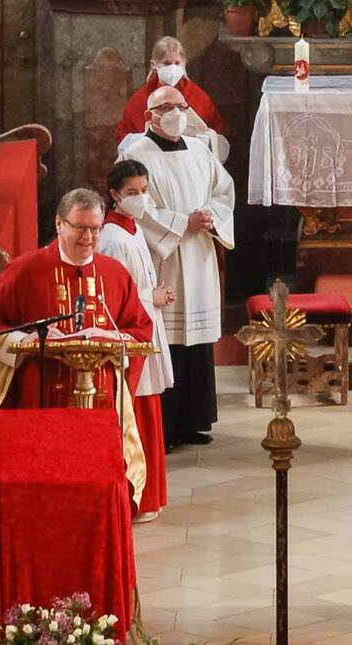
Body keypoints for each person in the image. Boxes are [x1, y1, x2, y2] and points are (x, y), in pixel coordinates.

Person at [0, 188, 155, 521]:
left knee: (98, 495)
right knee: (44, 499)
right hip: (42, 397)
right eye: (80, 227)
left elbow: (140, 331)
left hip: (103, 402)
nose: (88, 237)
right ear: (59, 223)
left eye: (95, 228)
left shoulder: (114, 274)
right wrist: (24, 338)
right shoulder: (27, 270)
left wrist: (112, 336)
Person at [120, 86, 235, 450]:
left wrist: (209, 217)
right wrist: (181, 222)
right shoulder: (135, 153)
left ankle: (194, 420)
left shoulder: (200, 150)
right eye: (166, 107)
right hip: (163, 255)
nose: (175, 113)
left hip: (199, 253)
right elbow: (136, 205)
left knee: (197, 340)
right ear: (150, 115)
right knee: (168, 340)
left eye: (180, 107)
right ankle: (165, 426)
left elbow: (224, 191)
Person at [99, 160, 176, 522]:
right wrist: (152, 298)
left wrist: (154, 294)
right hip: (131, 336)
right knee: (136, 416)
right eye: (133, 193)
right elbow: (112, 297)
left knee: (149, 411)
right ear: (114, 195)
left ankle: (150, 497)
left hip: (147, 327)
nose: (141, 198)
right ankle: (136, 498)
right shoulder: (112, 238)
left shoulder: (132, 230)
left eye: (144, 191)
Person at [115, 36, 228, 162]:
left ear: (184, 63)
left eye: (177, 63)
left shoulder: (199, 96)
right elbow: (123, 138)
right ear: (154, 65)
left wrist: (204, 140)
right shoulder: (140, 99)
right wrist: (150, 139)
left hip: (190, 162)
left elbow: (218, 134)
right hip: (153, 164)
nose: (173, 68)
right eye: (167, 63)